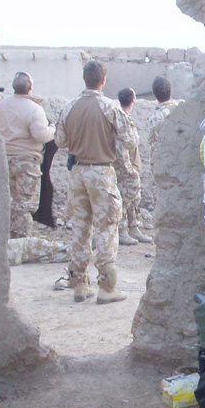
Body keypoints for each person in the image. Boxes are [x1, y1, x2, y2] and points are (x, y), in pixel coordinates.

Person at [55, 60, 132, 304]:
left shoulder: (69, 107)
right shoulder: (110, 107)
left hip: (77, 173)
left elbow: (59, 141)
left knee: (80, 228)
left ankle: (79, 284)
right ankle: (107, 287)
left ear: (85, 78)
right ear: (103, 80)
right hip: (101, 173)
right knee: (107, 228)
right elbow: (129, 139)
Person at [0, 71, 55, 238]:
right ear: (31, 88)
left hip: (5, 158)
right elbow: (41, 135)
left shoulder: (2, 105)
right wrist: (53, 129)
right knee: (25, 202)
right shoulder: (34, 109)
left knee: (11, 200)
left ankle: (8, 236)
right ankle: (21, 240)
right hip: (26, 161)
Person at [115, 87, 152, 246]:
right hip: (125, 169)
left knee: (134, 199)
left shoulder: (126, 118)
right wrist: (127, 169)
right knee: (124, 198)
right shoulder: (120, 118)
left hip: (132, 166)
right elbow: (121, 147)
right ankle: (121, 230)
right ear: (133, 99)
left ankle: (133, 227)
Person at [146, 76, 183, 145]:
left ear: (153, 93)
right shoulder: (181, 107)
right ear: (171, 90)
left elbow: (153, 144)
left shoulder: (155, 117)